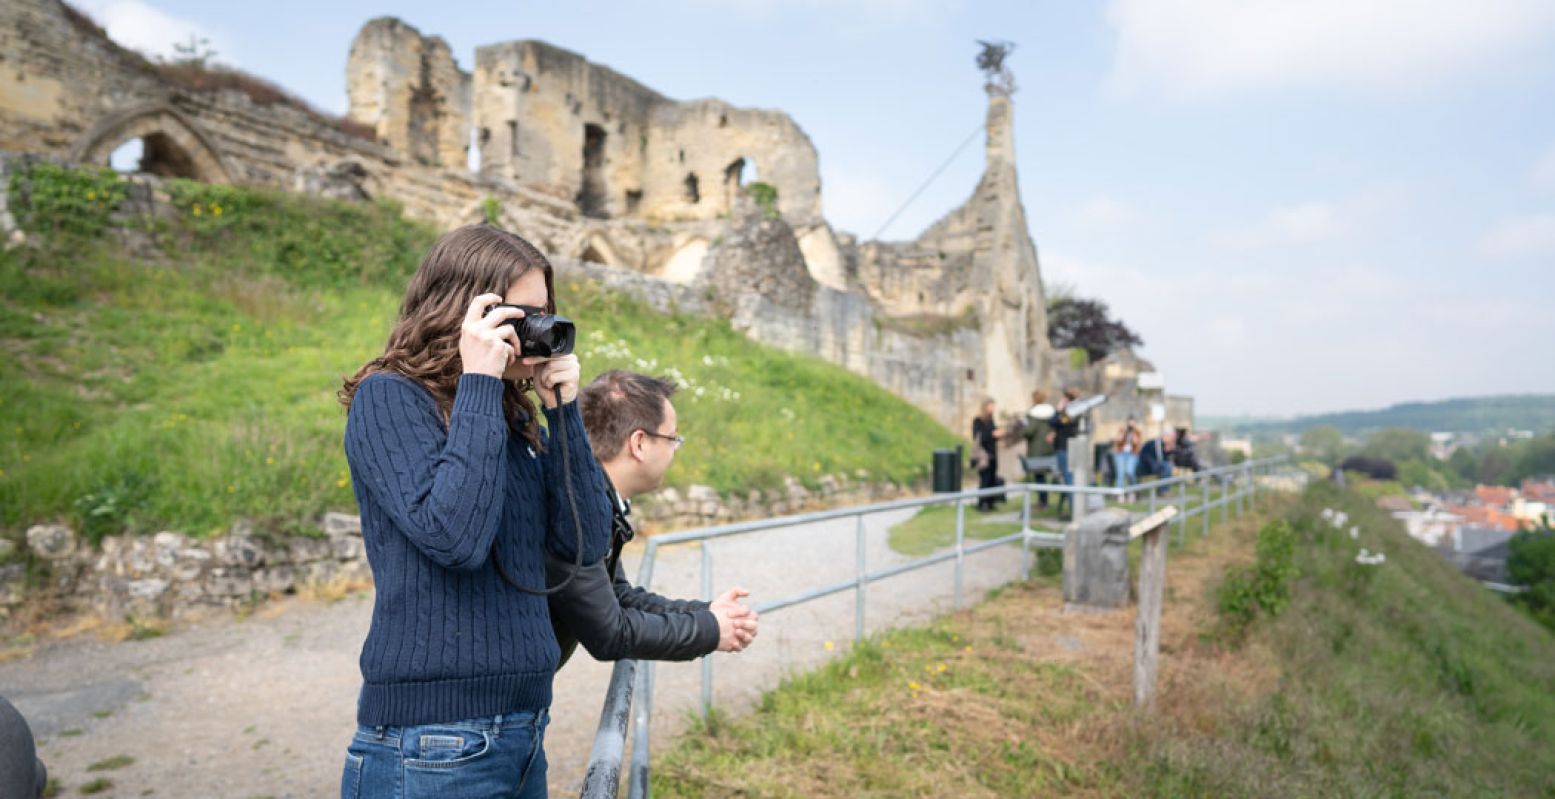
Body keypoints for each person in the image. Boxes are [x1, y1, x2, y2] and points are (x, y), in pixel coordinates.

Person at [336, 224, 613, 798]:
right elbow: (454, 539)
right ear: (464, 312)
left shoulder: (511, 418)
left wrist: (563, 414)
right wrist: (481, 381)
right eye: (522, 315)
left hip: (523, 727)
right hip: (433, 742)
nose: (540, 333)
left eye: (545, 314)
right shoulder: (389, 398)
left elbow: (584, 545)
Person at [548, 370, 759, 667]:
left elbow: (618, 595)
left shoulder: (593, 499)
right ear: (639, 444)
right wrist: (710, 630)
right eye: (672, 438)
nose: (675, 449)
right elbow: (609, 633)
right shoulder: (575, 509)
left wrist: (707, 613)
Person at [1020, 389, 1057, 509]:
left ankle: (1042, 501)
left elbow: (1029, 431)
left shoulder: (1033, 414)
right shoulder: (1052, 412)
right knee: (1044, 476)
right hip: (1049, 449)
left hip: (1037, 450)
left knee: (1039, 477)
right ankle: (1044, 500)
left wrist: (1022, 429)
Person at [971, 398, 1005, 511]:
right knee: (984, 480)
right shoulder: (978, 421)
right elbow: (978, 437)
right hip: (984, 455)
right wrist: (992, 434)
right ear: (985, 406)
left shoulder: (991, 420)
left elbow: (992, 436)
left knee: (992, 479)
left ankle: (990, 502)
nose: (992, 408)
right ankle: (982, 503)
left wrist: (999, 434)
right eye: (991, 406)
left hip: (992, 454)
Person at [1112, 415, 1143, 491]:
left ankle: (1132, 491)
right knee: (1120, 473)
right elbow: (1118, 440)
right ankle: (1120, 493)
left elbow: (1137, 442)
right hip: (1121, 454)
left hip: (1132, 454)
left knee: (1130, 472)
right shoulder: (1122, 430)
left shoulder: (1137, 432)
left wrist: (1133, 432)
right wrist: (1124, 431)